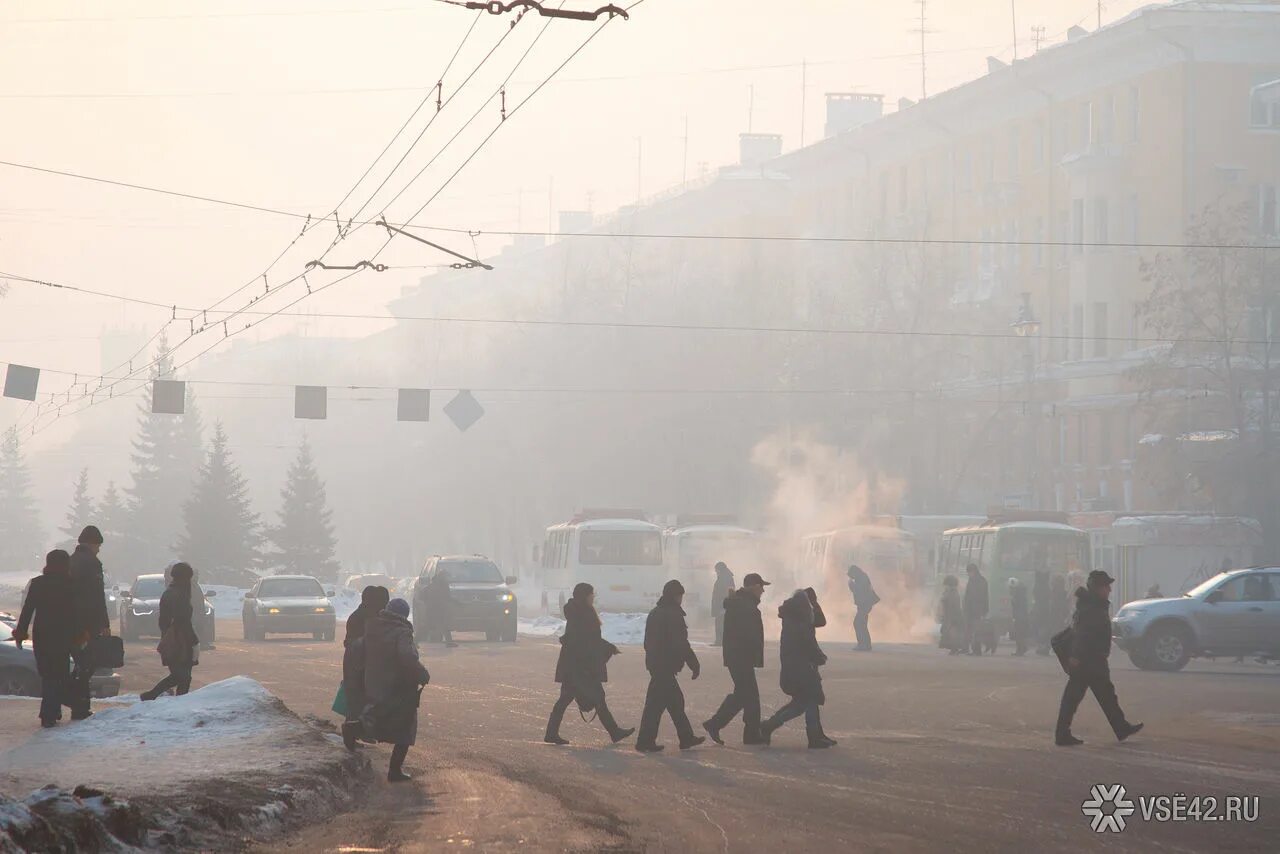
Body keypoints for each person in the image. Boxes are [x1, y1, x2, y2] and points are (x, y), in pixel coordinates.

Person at [1055, 570, 1143, 746]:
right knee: (1084, 697)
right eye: (1106, 586)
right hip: (1089, 660)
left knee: (1101, 696)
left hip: (1091, 659)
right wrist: (1076, 656)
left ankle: (1120, 727)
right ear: (1097, 588)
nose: (1109, 589)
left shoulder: (1093, 604)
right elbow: (1082, 634)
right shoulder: (1092, 607)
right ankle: (1063, 734)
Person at [544, 583, 635, 745]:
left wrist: (608, 647)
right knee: (596, 698)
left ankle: (551, 733)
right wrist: (605, 650)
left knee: (566, 699)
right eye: (591, 594)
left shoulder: (579, 612)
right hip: (580, 667)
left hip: (574, 665)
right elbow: (586, 642)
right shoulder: (583, 614)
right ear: (584, 596)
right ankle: (614, 732)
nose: (593, 597)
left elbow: (588, 640)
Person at [362, 598, 431, 782]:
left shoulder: (372, 627)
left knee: (376, 714)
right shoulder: (402, 632)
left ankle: (357, 730)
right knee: (405, 726)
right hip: (398, 686)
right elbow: (407, 657)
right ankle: (394, 770)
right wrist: (422, 673)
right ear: (404, 615)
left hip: (374, 682)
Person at [760, 588, 835, 748]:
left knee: (807, 701)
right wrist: (818, 657)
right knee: (804, 703)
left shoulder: (797, 616)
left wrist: (814, 603)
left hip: (798, 667)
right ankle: (771, 726)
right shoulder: (799, 621)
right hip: (800, 668)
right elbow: (807, 643)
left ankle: (815, 735)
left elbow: (820, 621)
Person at [635, 580, 704, 753]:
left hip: (656, 664)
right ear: (675, 596)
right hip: (664, 666)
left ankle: (685, 737)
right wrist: (693, 662)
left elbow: (647, 642)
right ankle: (646, 741)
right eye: (680, 595)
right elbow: (680, 643)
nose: (681, 599)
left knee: (669, 702)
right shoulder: (673, 614)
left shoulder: (655, 612)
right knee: (660, 704)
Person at [703, 572, 771, 746]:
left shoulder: (742, 603)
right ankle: (750, 735)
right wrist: (752, 654)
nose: (763, 590)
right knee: (751, 696)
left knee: (743, 695)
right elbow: (747, 635)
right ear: (754, 587)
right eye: (761, 587)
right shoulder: (744, 606)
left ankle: (715, 724)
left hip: (738, 657)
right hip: (741, 657)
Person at [13, 550, 76, 728]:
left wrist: (21, 632)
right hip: (63, 636)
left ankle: (50, 712)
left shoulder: (38, 583)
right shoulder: (70, 584)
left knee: (47, 674)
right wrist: (80, 634)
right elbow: (76, 613)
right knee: (59, 674)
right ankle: (51, 711)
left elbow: (27, 610)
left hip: (42, 636)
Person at [67, 525, 111, 720]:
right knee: (86, 665)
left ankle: (74, 702)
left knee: (79, 663)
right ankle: (80, 707)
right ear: (92, 543)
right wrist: (104, 623)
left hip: (71, 621)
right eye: (98, 545)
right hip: (87, 623)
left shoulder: (70, 560)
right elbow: (97, 595)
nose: (99, 549)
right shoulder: (93, 563)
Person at [141, 562, 199, 700]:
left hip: (173, 639)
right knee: (182, 676)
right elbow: (183, 620)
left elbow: (163, 621)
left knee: (182, 676)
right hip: (180, 641)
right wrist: (193, 640)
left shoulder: (170, 592)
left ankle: (175, 701)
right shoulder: (179, 594)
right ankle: (151, 695)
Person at [342, 585, 390, 750]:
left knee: (359, 697)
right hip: (358, 663)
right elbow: (353, 642)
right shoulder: (363, 617)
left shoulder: (367, 615)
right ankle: (352, 732)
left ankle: (358, 731)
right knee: (356, 697)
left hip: (359, 662)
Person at [421, 570, 458, 648]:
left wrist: (427, 603)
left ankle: (449, 642)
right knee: (430, 626)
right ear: (443, 576)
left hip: (433, 608)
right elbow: (448, 597)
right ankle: (415, 641)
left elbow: (423, 595)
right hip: (438, 608)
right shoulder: (443, 585)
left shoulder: (433, 584)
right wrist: (458, 603)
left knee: (433, 626)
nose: (448, 579)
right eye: (447, 577)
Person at [846, 564, 880, 651]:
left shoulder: (861, 578)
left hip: (865, 604)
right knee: (862, 624)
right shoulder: (861, 577)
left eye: (851, 575)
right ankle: (866, 645)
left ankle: (862, 644)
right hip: (864, 604)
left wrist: (851, 585)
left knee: (858, 623)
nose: (851, 577)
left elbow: (859, 590)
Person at [962, 562, 989, 656]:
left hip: (977, 610)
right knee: (969, 630)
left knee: (976, 631)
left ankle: (977, 650)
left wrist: (983, 611)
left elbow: (982, 597)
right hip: (970, 610)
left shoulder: (981, 581)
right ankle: (969, 649)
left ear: (974, 571)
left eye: (970, 572)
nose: (969, 574)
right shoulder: (972, 580)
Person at [937, 575, 964, 655]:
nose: (945, 586)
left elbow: (952, 605)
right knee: (950, 633)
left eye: (946, 585)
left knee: (952, 634)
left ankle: (954, 649)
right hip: (950, 616)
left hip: (952, 617)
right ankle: (954, 649)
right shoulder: (952, 592)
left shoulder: (952, 593)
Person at [711, 562, 734, 646]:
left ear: (720, 569)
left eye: (716, 570)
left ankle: (720, 641)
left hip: (722, 606)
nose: (716, 572)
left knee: (720, 623)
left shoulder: (725, 578)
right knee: (720, 623)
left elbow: (725, 593)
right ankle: (720, 640)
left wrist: (723, 607)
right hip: (722, 605)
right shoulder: (725, 577)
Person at [1032, 571, 1052, 655]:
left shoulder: (1038, 586)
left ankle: (1042, 647)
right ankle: (1044, 647)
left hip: (1040, 609)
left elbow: (1035, 595)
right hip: (1045, 609)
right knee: (1044, 628)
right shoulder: (1047, 586)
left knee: (1040, 628)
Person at [1009, 577, 1029, 656]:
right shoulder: (1021, 593)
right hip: (1021, 616)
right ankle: (1021, 648)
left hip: (1019, 617)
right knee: (1020, 633)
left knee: (1018, 633)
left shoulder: (1017, 595)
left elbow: (1017, 606)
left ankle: (1021, 649)